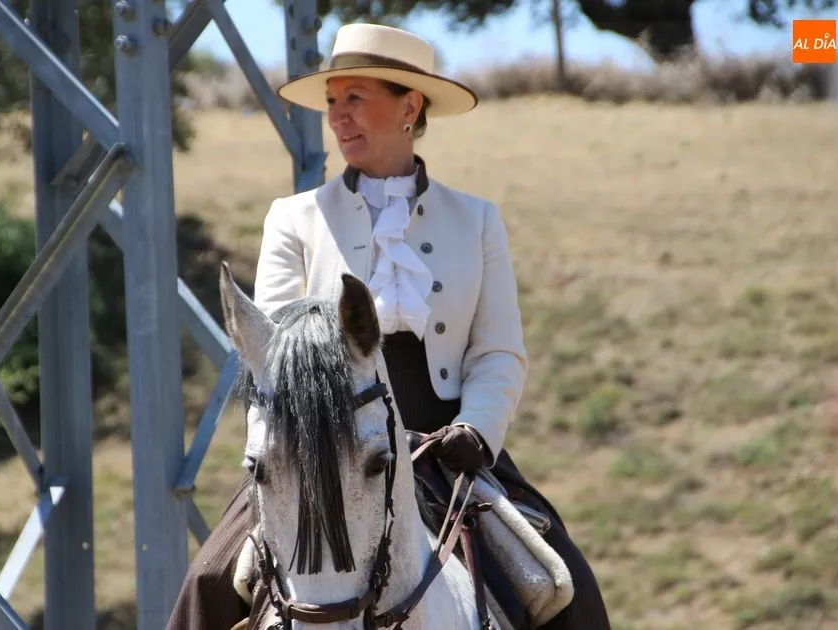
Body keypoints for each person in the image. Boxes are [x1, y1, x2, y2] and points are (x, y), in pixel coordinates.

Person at [167, 23, 611, 630]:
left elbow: (499, 352)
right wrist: (298, 448)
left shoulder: (476, 220)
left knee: (568, 587)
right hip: (321, 454)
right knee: (207, 583)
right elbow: (269, 359)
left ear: (409, 106)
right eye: (332, 101)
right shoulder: (293, 219)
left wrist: (477, 432)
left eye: (355, 98)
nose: (338, 116)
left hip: (450, 449)